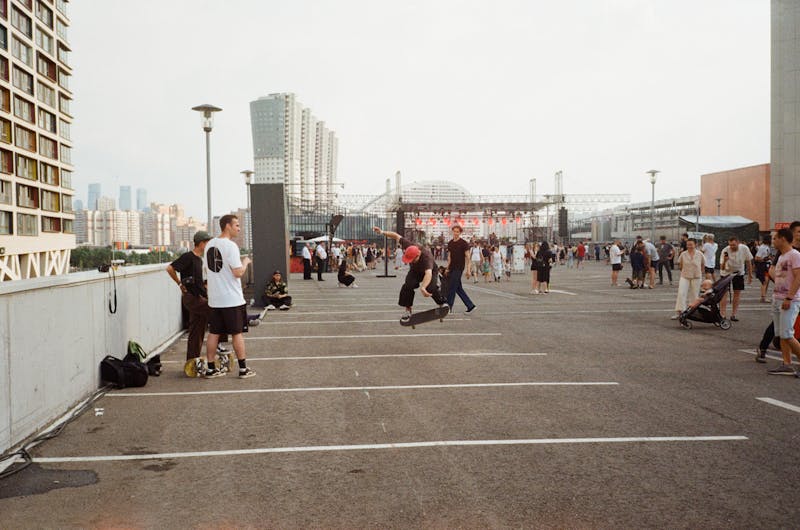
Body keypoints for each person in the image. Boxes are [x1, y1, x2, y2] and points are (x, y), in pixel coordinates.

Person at [203, 214, 256, 379]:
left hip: (215, 299)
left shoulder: (209, 245)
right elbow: (237, 272)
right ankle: (243, 369)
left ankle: (211, 368)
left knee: (214, 333)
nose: (239, 229)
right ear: (227, 226)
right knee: (237, 333)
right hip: (231, 299)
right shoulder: (231, 246)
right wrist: (246, 262)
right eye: (237, 225)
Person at [373, 226, 446, 321]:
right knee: (408, 285)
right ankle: (408, 309)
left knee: (430, 287)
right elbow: (396, 236)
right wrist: (382, 232)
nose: (411, 261)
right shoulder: (409, 245)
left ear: (418, 255)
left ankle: (442, 303)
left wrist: (423, 287)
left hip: (430, 271)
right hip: (415, 271)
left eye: (412, 260)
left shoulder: (426, 257)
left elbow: (428, 274)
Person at [165, 230, 213, 364]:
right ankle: (219, 346)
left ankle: (192, 361)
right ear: (202, 243)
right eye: (207, 242)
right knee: (218, 313)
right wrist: (179, 283)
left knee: (197, 331)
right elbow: (170, 268)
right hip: (192, 298)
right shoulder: (188, 257)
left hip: (198, 296)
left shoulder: (199, 259)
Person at [766, 227, 800, 376]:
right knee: (781, 335)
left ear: (783, 239)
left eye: (775, 238)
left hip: (789, 301)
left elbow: (799, 277)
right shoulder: (781, 256)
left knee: (787, 334)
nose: (773, 241)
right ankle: (787, 364)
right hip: (777, 299)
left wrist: (789, 297)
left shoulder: (794, 255)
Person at [719, 236, 753, 322]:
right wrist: (725, 261)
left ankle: (733, 314)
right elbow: (722, 268)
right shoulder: (725, 250)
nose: (732, 247)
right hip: (726, 272)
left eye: (734, 245)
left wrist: (750, 275)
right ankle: (722, 314)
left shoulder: (744, 248)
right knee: (724, 293)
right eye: (730, 245)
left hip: (738, 272)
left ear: (738, 243)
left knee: (737, 293)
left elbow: (748, 262)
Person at [445, 224, 477, 314]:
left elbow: (468, 257)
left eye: (457, 232)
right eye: (454, 231)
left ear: (460, 233)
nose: (456, 233)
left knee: (451, 287)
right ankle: (470, 305)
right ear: (452, 232)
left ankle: (448, 307)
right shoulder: (450, 243)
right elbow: (449, 257)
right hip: (451, 267)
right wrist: (447, 268)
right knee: (458, 288)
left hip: (459, 268)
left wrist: (468, 270)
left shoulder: (463, 243)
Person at [672, 238, 705, 319]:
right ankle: (680, 312)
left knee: (694, 295)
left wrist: (700, 272)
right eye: (688, 245)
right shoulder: (683, 254)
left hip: (696, 276)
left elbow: (703, 265)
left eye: (691, 244)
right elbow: (680, 265)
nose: (689, 246)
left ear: (695, 245)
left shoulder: (700, 254)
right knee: (681, 293)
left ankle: (692, 312)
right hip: (685, 276)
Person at [754, 235, 772, 303]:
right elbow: (757, 257)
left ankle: (764, 296)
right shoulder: (763, 247)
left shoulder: (766, 247)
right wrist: (765, 259)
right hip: (763, 266)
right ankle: (763, 297)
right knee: (764, 282)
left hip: (767, 265)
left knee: (766, 282)